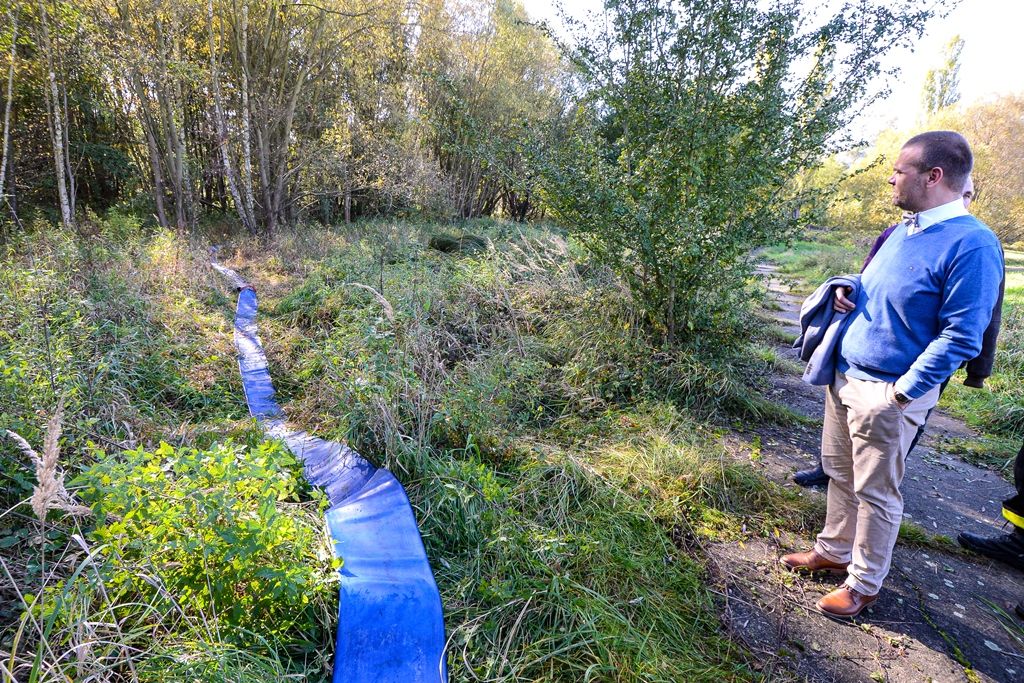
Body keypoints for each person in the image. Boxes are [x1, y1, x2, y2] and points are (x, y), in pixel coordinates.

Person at [780, 132, 1004, 619]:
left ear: (933, 176)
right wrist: (849, 291)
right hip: (846, 376)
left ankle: (863, 583)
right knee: (840, 473)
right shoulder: (905, 230)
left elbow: (964, 334)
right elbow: (885, 288)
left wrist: (901, 394)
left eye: (899, 170)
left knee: (877, 492)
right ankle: (834, 550)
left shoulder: (974, 244)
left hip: (888, 392)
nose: (891, 177)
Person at [793, 176, 1003, 487]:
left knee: (882, 469)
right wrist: (846, 289)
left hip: (913, 370)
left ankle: (884, 475)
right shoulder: (897, 233)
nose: (965, 202)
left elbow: (977, 323)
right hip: (858, 368)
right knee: (843, 463)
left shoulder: (975, 246)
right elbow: (871, 283)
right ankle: (830, 471)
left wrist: (973, 373)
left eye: (969, 196)